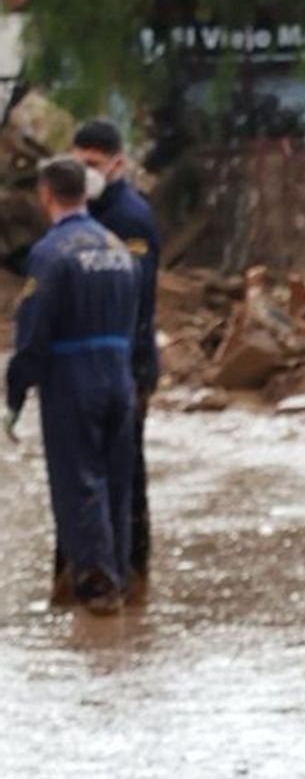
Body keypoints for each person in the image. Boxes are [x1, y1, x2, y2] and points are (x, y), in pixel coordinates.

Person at [5, 154, 138, 610]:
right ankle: (117, 572)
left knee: (77, 477)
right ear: (85, 191)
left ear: (46, 195)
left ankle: (96, 583)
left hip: (71, 378)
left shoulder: (50, 254)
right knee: (117, 479)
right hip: (119, 374)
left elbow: (33, 329)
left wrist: (16, 389)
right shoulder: (120, 250)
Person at [71, 118, 160, 603]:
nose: (84, 174)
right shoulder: (82, 213)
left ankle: (132, 575)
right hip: (92, 366)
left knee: (127, 474)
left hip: (128, 365)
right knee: (88, 470)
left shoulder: (130, 218)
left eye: (92, 165)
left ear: (117, 164)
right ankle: (95, 573)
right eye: (77, 163)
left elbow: (134, 299)